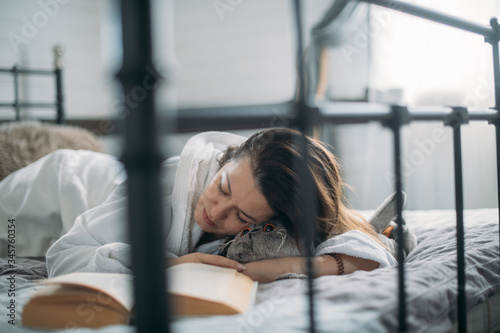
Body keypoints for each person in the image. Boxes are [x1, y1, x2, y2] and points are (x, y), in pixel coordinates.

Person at [0, 128, 396, 282]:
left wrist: (292, 265)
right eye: (222, 187)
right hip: (52, 188)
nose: (215, 212)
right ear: (229, 156)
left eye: (241, 216)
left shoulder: (279, 208)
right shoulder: (161, 190)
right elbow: (66, 255)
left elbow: (369, 253)